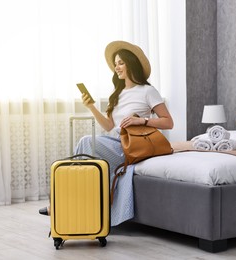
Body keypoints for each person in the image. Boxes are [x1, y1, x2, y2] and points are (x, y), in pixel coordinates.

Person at [39, 41, 174, 226]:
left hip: (129, 146)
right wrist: (91, 107)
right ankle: (69, 203)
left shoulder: (148, 91)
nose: (116, 67)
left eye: (120, 63)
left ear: (131, 64)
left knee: (86, 143)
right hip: (114, 141)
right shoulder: (116, 93)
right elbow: (109, 125)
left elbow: (168, 122)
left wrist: (141, 120)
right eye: (115, 64)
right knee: (85, 155)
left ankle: (62, 204)